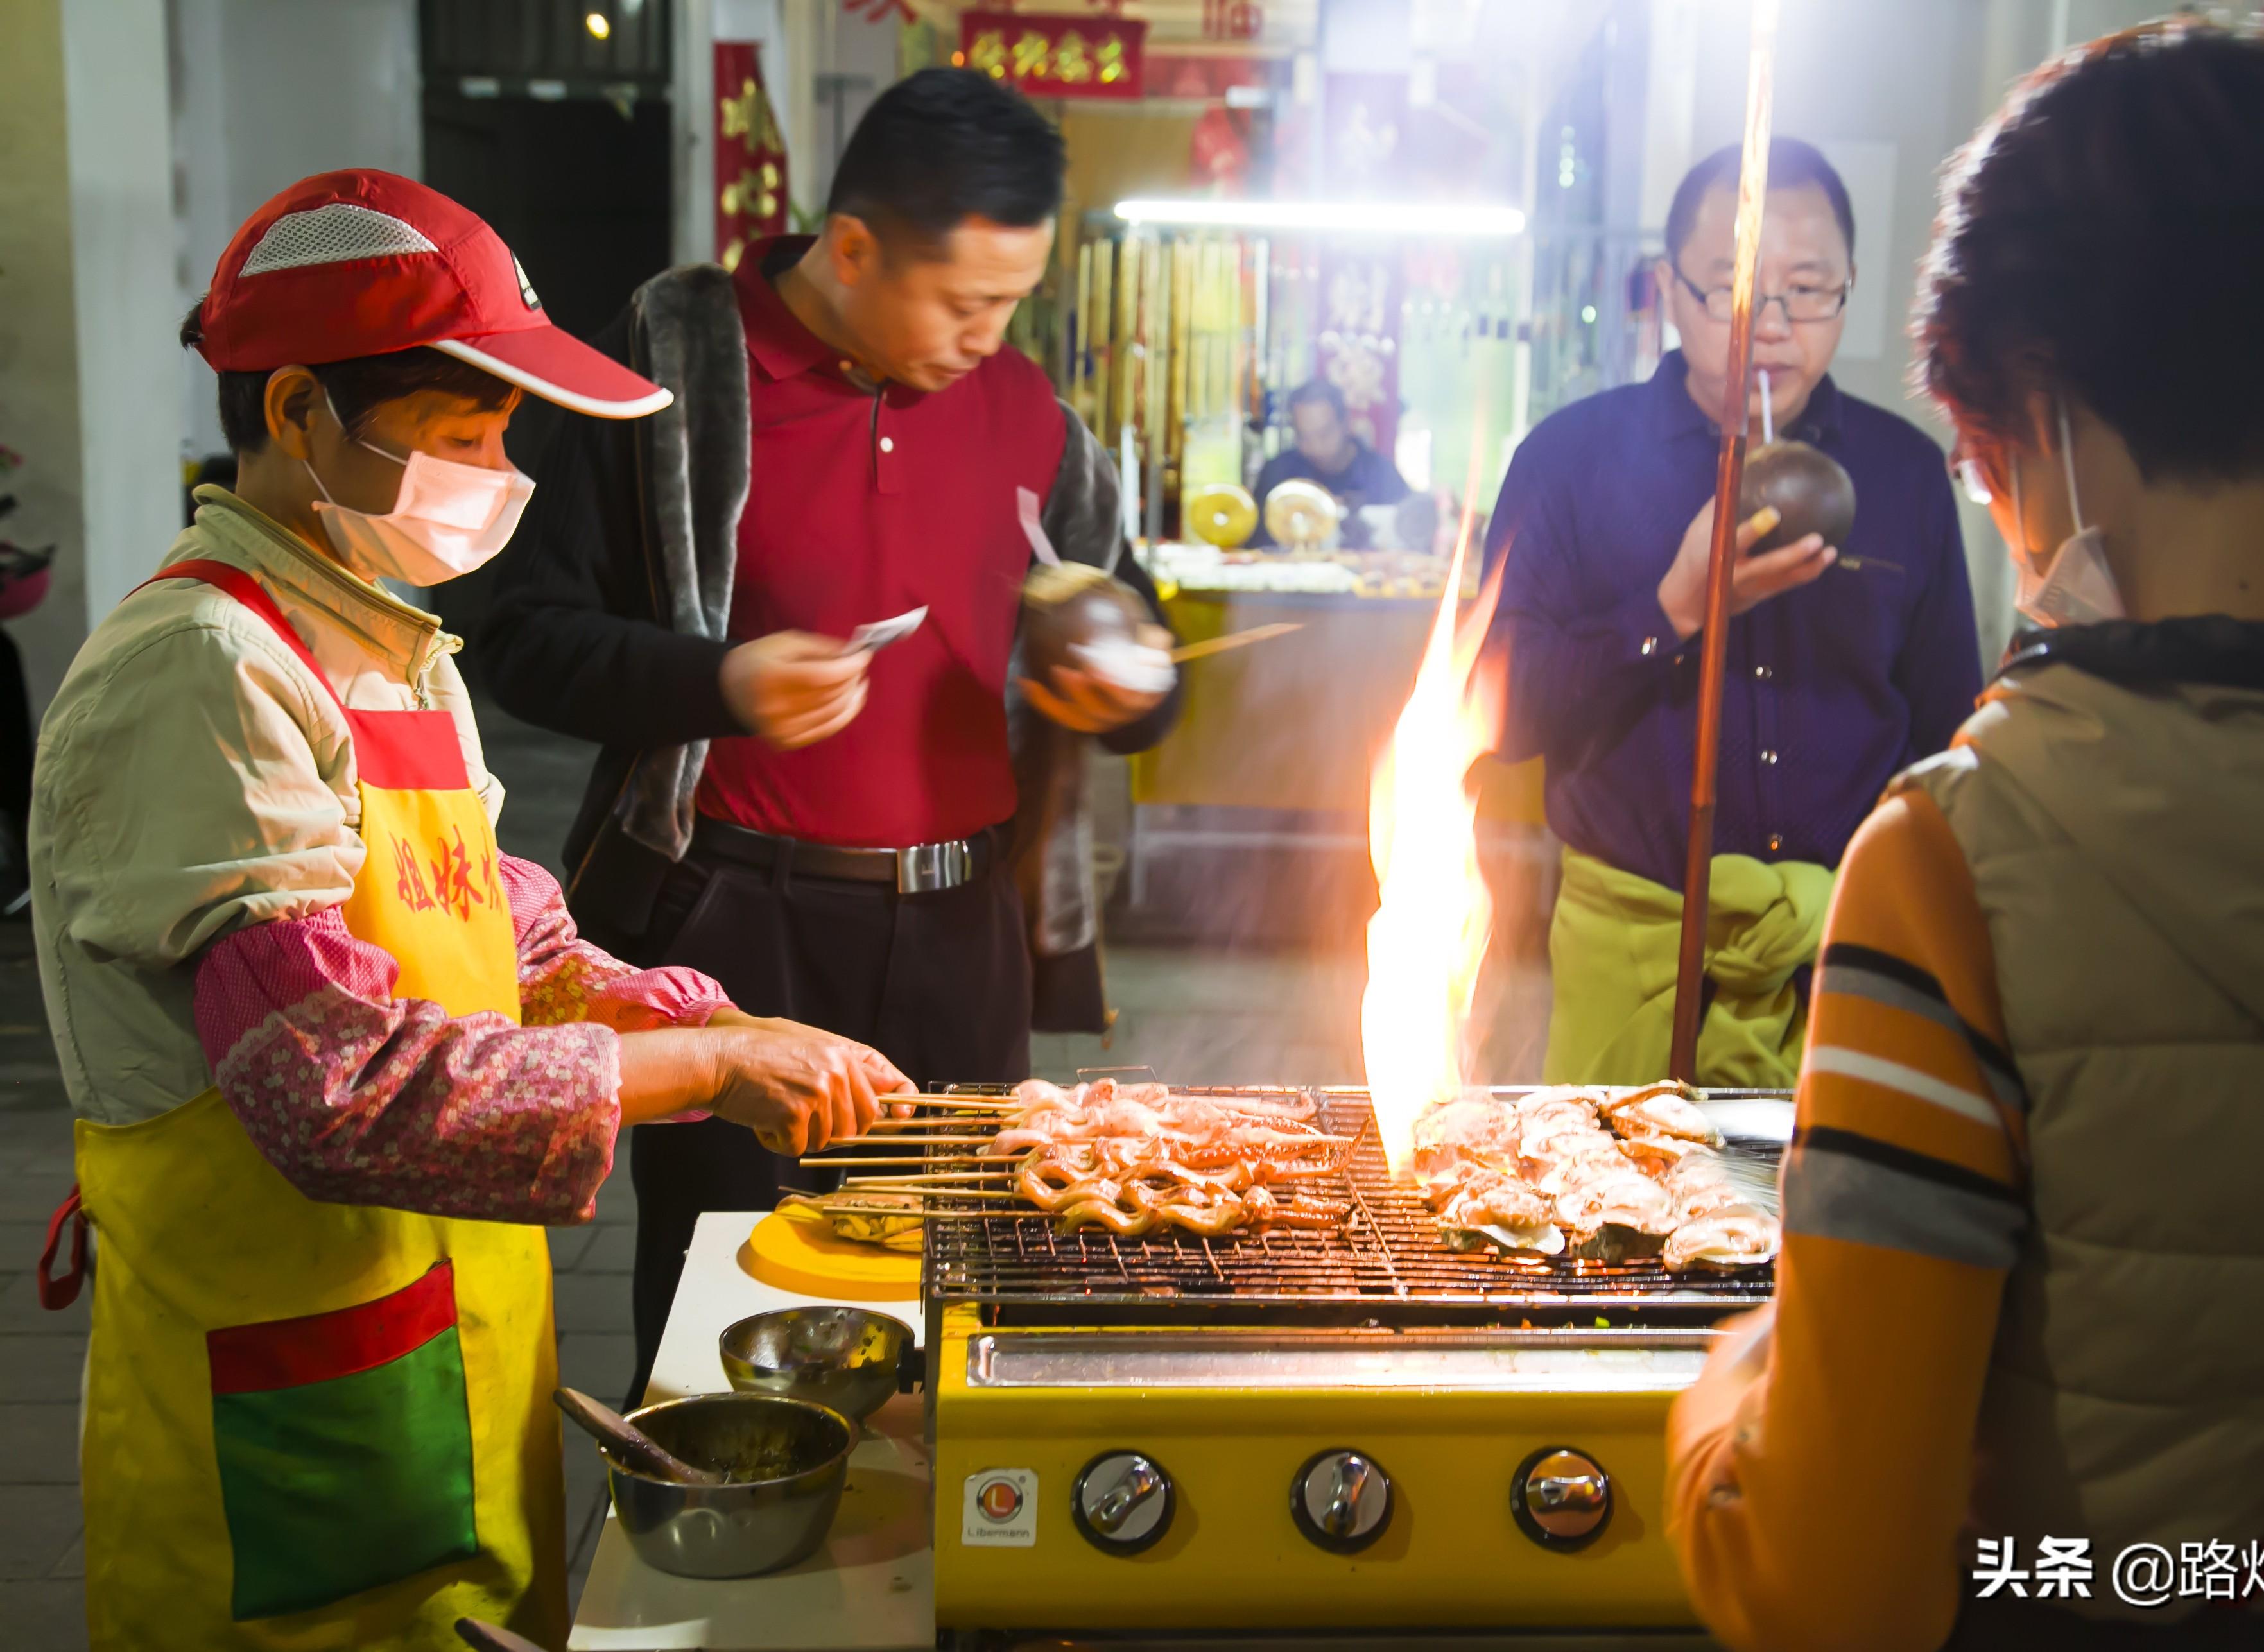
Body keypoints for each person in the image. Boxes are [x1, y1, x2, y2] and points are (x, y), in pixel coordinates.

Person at [1667, 26, 2264, 1649]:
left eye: (1983, 468)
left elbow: (1834, 1592)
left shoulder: (1963, 861)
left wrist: (1723, 1394)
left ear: (2036, 418)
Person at [26, 171, 913, 1651]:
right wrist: (693, 1073)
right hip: (291, 1394)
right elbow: (336, 1088)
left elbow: (516, 944)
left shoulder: (392, 648)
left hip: (447, 1342)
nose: (502, 472)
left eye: (507, 431)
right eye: (465, 431)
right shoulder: (206, 668)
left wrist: (726, 1021)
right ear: (301, 410)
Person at [474, 69, 1182, 1403]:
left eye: (1012, 302)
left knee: (962, 1286)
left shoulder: (1023, 409)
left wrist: (1128, 685)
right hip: (738, 927)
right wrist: (718, 683)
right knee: (734, 1299)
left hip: (964, 930)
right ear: (849, 248)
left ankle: (958, 1567)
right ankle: (719, 1544)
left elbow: (1138, 639)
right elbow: (523, 632)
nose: (990, 335)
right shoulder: (673, 358)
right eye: (966, 301)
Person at [1484, 137, 1981, 1089]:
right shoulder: (1570, 461)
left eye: (1810, 289)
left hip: (1842, 955)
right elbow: (1495, 715)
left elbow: (1946, 738)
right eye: (1732, 287)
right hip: (1635, 952)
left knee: (1822, 1235)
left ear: (1849, 292)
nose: (1772, 324)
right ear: (1669, 290)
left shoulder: (1905, 475)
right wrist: (1671, 608)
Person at [1247, 378, 1410, 547]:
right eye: (1304, 437)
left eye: (1324, 435)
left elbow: (1410, 535)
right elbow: (1256, 546)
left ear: (1346, 423)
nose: (1316, 447)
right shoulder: (1278, 473)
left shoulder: (1380, 473)